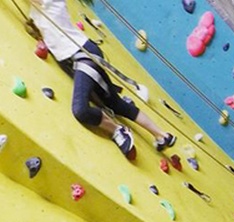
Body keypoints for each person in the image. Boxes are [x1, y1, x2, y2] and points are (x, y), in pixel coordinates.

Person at [29, 0, 175, 159]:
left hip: (83, 55)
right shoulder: (37, 8)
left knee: (81, 110)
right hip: (77, 58)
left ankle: (117, 130)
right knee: (115, 103)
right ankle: (162, 135)